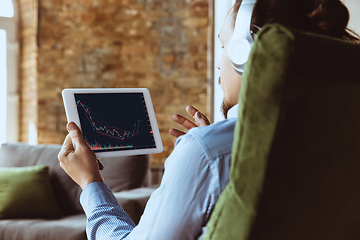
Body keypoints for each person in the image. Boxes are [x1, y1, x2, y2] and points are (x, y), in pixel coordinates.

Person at [58, 0, 359, 239]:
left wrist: (90, 183)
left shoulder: (206, 152)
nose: (219, 63)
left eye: (225, 46)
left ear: (245, 53)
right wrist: (221, 152)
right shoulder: (344, 137)